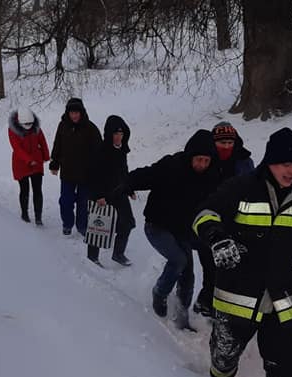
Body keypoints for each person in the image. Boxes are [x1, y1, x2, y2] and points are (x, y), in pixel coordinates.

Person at [193, 128, 292, 377]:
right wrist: (217, 238)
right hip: (238, 293)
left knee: (284, 361)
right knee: (224, 353)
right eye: (286, 163)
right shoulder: (241, 187)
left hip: (280, 296)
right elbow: (204, 213)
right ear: (270, 161)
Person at [124, 130, 220, 329]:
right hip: (157, 226)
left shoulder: (210, 177)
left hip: (183, 230)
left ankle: (181, 317)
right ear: (190, 155)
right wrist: (127, 183)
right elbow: (147, 175)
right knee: (179, 260)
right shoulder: (172, 165)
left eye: (206, 160)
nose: (202, 164)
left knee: (188, 274)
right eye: (198, 159)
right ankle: (159, 292)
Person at [193, 121, 255, 318]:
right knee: (210, 266)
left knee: (228, 268)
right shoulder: (206, 159)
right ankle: (205, 304)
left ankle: (217, 305)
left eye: (229, 142)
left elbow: (251, 189)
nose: (226, 147)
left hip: (235, 223)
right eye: (221, 143)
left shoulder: (244, 162)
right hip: (207, 221)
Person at [85, 115, 135, 266]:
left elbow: (123, 172)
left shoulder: (122, 150)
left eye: (121, 134)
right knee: (99, 226)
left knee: (127, 223)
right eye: (115, 134)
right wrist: (98, 195)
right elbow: (92, 175)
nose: (119, 137)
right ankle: (92, 258)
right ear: (109, 134)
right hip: (101, 195)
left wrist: (129, 188)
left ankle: (118, 254)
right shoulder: (100, 150)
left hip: (119, 193)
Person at [49, 97, 101, 236]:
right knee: (65, 201)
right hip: (68, 172)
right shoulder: (63, 126)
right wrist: (54, 163)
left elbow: (98, 152)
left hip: (86, 174)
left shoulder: (91, 128)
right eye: (72, 112)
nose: (74, 115)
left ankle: (82, 226)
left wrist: (98, 170)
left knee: (83, 203)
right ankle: (67, 223)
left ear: (82, 112)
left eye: (77, 112)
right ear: (68, 113)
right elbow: (57, 145)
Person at [8, 106, 48, 225]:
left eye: (30, 123)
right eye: (26, 124)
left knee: (37, 190)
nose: (29, 126)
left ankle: (38, 217)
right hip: (21, 164)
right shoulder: (12, 130)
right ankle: (24, 213)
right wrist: (28, 160)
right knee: (24, 190)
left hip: (36, 163)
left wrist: (46, 156)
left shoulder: (36, 127)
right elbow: (17, 148)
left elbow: (42, 141)